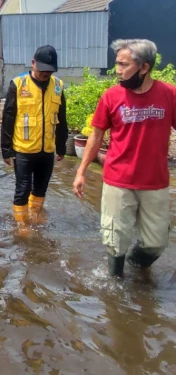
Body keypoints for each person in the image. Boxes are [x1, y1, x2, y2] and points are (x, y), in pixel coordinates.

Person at [73, 39, 176, 277]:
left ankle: (135, 268)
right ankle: (116, 287)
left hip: (155, 183)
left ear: (144, 67)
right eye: (117, 64)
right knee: (115, 240)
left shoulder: (169, 94)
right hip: (118, 180)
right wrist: (81, 171)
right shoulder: (111, 97)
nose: (117, 70)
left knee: (156, 242)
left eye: (123, 64)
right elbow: (96, 136)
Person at [1, 45, 68, 233]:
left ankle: (36, 216)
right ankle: (21, 225)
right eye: (41, 70)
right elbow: (8, 118)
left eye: (49, 71)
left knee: (41, 189)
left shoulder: (58, 86)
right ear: (33, 64)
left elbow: (62, 119)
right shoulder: (18, 84)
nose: (45, 74)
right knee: (22, 189)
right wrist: (6, 149)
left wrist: (61, 147)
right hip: (23, 149)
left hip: (46, 149)